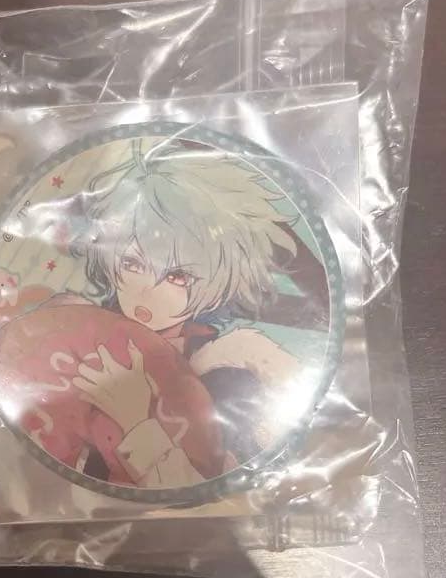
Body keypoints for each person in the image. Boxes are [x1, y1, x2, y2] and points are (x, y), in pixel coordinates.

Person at [63, 136, 308, 487]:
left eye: (177, 276)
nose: (146, 292)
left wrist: (136, 421)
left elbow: (215, 494)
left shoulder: (228, 375)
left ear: (220, 281)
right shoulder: (79, 335)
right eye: (132, 263)